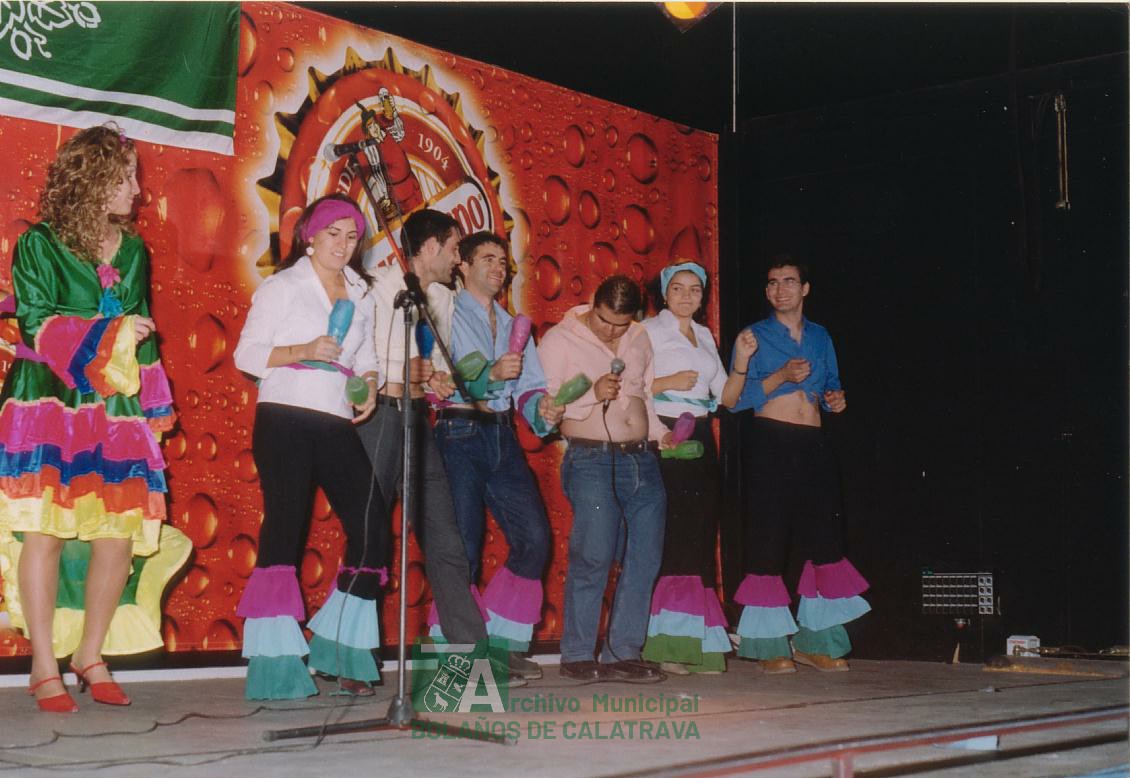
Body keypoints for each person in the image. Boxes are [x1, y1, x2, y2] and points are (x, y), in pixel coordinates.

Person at [0, 125, 189, 712]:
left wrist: (154, 408)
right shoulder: (39, 244)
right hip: (49, 400)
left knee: (118, 536)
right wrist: (113, 335)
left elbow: (143, 326)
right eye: (126, 177)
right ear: (93, 181)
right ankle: (43, 666)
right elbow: (36, 324)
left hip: (114, 404)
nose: (137, 190)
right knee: (44, 531)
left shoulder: (133, 250)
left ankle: (90, 654)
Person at [355, 209, 525, 687]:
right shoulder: (380, 288)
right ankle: (348, 658)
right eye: (453, 249)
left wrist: (439, 379)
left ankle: (469, 661)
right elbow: (364, 358)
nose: (456, 259)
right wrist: (402, 372)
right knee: (368, 538)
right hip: (380, 417)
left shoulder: (443, 298)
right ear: (429, 247)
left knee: (446, 540)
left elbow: (435, 363)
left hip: (417, 420)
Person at [233, 194, 387, 699]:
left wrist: (368, 384)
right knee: (284, 532)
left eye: (351, 236)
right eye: (333, 234)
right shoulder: (282, 286)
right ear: (310, 236)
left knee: (372, 528)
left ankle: (340, 649)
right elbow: (246, 354)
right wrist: (304, 349)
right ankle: (275, 667)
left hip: (336, 418)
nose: (343, 245)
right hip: (285, 416)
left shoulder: (362, 292)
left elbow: (366, 357)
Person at [725, 256, 870, 674]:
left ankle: (815, 643)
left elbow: (832, 387)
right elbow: (733, 400)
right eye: (773, 283)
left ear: (805, 289)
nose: (780, 289)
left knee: (825, 541)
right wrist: (782, 376)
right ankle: (768, 645)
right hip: (771, 441)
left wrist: (836, 399)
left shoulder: (821, 336)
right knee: (768, 538)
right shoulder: (753, 336)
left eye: (789, 281)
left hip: (814, 443)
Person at [431, 232, 564, 680]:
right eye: (487, 258)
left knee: (535, 539)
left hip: (503, 437)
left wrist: (543, 410)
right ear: (463, 266)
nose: (498, 267)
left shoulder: (513, 326)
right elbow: (436, 378)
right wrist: (489, 374)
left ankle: (503, 647)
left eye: (503, 261)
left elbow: (529, 390)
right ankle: (456, 663)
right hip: (458, 431)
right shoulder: (443, 311)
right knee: (463, 550)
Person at [537, 275, 671, 682]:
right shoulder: (558, 341)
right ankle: (577, 654)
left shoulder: (639, 337)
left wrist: (659, 432)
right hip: (591, 459)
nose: (611, 331)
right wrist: (592, 394)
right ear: (593, 303)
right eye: (604, 321)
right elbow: (546, 408)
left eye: (621, 324)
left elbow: (644, 394)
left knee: (645, 557)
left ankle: (622, 653)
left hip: (643, 459)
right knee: (593, 555)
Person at [639, 261, 754, 676]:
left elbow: (727, 397)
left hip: (702, 436)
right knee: (677, 537)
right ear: (664, 294)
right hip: (666, 431)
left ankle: (700, 646)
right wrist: (667, 382)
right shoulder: (648, 330)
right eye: (678, 288)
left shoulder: (705, 335)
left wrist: (741, 359)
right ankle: (668, 646)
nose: (686, 296)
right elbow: (630, 385)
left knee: (702, 536)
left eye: (694, 289)